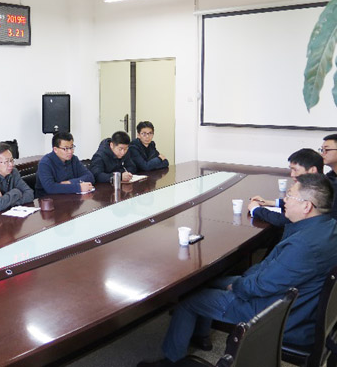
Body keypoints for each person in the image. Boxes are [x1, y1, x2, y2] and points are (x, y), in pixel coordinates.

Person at [137, 173, 337, 367]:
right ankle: (200, 336)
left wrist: (237, 285)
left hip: (271, 311)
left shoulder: (304, 245)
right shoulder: (328, 227)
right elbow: (272, 272)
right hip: (293, 300)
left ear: (306, 206)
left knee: (188, 300)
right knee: (208, 282)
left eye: (290, 196)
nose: (284, 200)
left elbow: (260, 286)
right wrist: (245, 278)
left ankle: (171, 360)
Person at [248, 148, 323, 227]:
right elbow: (298, 202)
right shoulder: (319, 186)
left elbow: (282, 220)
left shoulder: (319, 192)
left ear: (312, 170)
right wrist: (270, 203)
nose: (292, 175)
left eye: (295, 170)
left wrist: (255, 210)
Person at [34, 132, 94, 198]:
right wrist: (78, 187)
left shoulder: (73, 159)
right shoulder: (45, 163)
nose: (70, 151)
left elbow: (90, 177)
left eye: (71, 147)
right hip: (48, 199)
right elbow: (50, 188)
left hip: (69, 197)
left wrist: (70, 182)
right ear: (55, 149)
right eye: (65, 149)